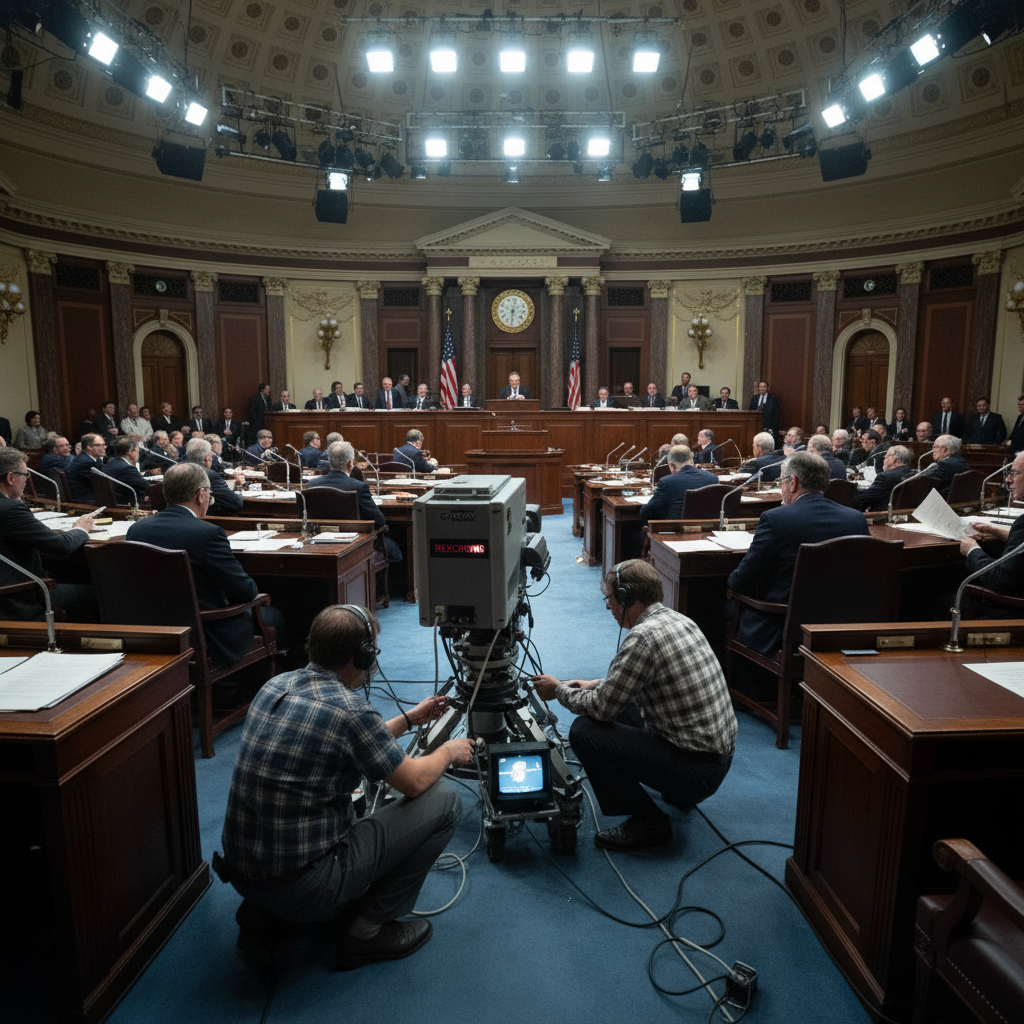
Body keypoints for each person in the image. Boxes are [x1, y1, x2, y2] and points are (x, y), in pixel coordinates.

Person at [219, 604, 473, 966]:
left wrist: (409, 719)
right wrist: (448, 751)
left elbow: (343, 739)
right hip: (307, 887)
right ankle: (365, 933)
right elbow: (415, 781)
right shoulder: (352, 712)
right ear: (363, 655)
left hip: (244, 875)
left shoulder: (275, 686)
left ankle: (265, 915)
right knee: (446, 802)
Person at [532, 559, 736, 852]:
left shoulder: (642, 638)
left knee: (585, 731)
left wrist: (559, 690)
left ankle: (649, 822)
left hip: (697, 774)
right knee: (621, 704)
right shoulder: (677, 619)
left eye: (610, 598)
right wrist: (593, 684)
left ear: (627, 597)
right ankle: (677, 793)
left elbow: (602, 709)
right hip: (716, 760)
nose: (608, 607)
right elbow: (632, 682)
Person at [126, 462, 279, 665]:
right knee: (273, 616)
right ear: (201, 494)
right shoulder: (208, 534)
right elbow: (246, 592)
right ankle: (246, 693)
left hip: (153, 631)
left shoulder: (136, 530)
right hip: (206, 634)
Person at [727, 451, 870, 653]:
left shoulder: (776, 519)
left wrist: (731, 578)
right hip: (839, 629)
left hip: (782, 631)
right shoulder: (856, 519)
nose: (782, 487)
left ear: (793, 482)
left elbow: (742, 582)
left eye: (782, 481)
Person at [0, 448, 99, 621]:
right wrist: (81, 528)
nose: (26, 480)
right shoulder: (11, 509)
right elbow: (62, 545)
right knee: (97, 594)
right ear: (10, 478)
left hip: (9, 587)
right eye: (25, 475)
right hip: (20, 596)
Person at [959, 451, 1024, 603]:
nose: (1008, 480)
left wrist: (972, 551)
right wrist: (1000, 533)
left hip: (1012, 611)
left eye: (1015, 474)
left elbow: (1000, 581)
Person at [308, 441, 385, 527]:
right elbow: (379, 521)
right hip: (356, 539)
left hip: (318, 538)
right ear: (350, 463)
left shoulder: (312, 484)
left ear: (329, 462)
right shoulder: (359, 487)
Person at [638, 446, 717, 522]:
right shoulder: (712, 479)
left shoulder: (667, 482)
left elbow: (647, 513)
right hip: (707, 532)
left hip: (676, 531)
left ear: (672, 466)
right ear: (692, 461)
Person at [185, 437, 242, 512]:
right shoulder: (209, 475)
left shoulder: (178, 470)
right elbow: (236, 503)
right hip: (207, 518)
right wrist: (239, 489)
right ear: (207, 457)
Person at [853, 444, 916, 512]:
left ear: (892, 458)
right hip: (905, 514)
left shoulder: (885, 477)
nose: (884, 460)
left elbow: (864, 499)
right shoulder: (915, 474)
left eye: (885, 457)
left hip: (882, 516)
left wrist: (849, 494)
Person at [102, 437, 151, 503]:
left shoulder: (108, 464)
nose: (138, 454)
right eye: (137, 451)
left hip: (111, 502)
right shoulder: (127, 468)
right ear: (130, 452)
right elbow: (145, 485)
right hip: (127, 504)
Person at [68, 432, 106, 503]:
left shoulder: (92, 459)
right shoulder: (85, 462)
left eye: (103, 445)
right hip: (86, 500)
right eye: (98, 445)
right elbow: (103, 483)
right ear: (89, 447)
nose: (103, 448)